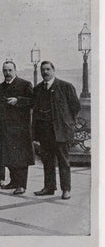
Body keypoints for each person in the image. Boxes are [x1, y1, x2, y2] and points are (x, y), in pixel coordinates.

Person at [32, 61, 81, 200]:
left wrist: (66, 122)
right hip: (44, 133)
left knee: (63, 161)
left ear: (54, 70)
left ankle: (66, 189)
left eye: (48, 69)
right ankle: (49, 187)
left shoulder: (65, 87)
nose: (45, 72)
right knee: (47, 161)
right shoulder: (38, 89)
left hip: (60, 132)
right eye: (43, 70)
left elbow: (75, 107)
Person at [0, 60, 34, 195]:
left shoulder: (25, 84)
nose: (7, 73)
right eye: (5, 70)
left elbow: (33, 101)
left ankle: (21, 185)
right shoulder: (0, 88)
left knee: (21, 157)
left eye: (9, 70)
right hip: (4, 128)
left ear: (15, 70)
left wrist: (18, 101)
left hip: (20, 129)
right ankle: (13, 181)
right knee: (9, 156)